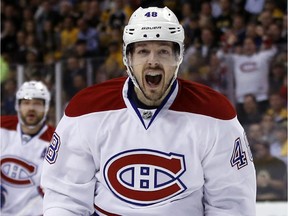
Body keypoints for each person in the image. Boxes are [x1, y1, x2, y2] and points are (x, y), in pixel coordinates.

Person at [41, 6, 256, 215]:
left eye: (163, 51)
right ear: (128, 59)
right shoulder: (86, 110)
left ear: (178, 58)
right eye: (143, 51)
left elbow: (231, 203)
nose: (153, 61)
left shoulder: (214, 114)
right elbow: (65, 197)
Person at [0, 80, 55, 215]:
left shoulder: (56, 141)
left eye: (37, 103)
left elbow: (54, 189)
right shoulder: (2, 127)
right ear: (18, 106)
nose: (31, 108)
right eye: (26, 102)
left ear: (46, 107)